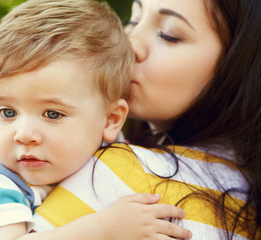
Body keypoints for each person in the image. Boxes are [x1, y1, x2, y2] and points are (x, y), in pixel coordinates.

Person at [0, 0, 192, 239]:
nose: (23, 134)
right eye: (8, 112)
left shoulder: (119, 157)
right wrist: (104, 229)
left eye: (53, 114)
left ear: (110, 120)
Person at [33, 0, 261, 239]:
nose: (128, 43)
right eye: (133, 20)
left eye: (168, 35)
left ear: (239, 66)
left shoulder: (123, 171)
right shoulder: (249, 203)